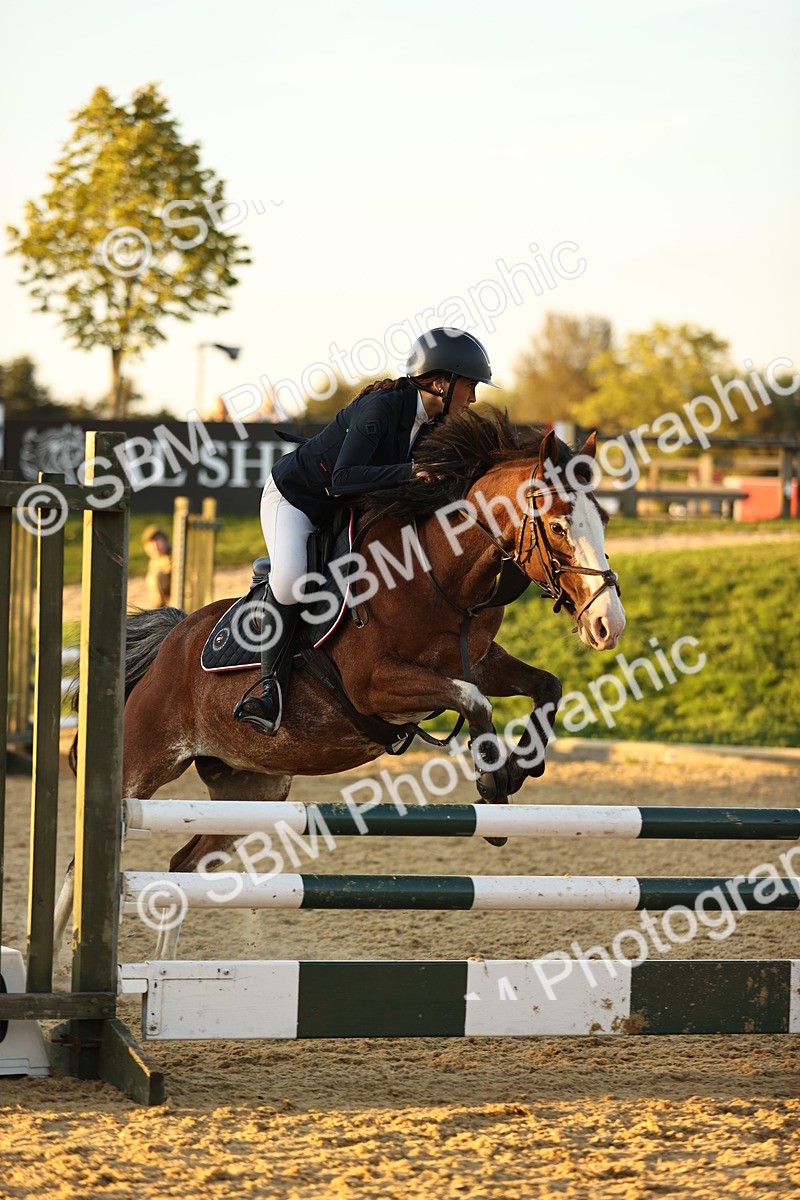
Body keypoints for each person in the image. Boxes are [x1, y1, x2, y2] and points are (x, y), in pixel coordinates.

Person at [233, 327, 497, 735]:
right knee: (290, 582)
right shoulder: (384, 408)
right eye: (470, 386)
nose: (474, 398)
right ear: (441, 382)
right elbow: (342, 479)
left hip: (346, 509)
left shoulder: (430, 424)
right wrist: (412, 471)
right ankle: (268, 691)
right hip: (297, 499)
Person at [141, 525, 172, 608]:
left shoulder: (172, 557)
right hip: (165, 604)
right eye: (151, 543)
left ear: (166, 541)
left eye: (158, 541)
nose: (155, 546)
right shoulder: (155, 560)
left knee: (155, 577)